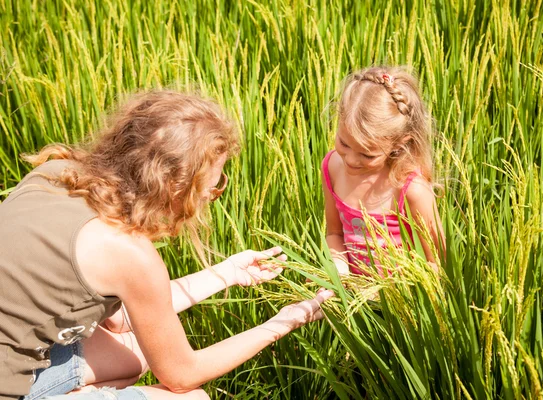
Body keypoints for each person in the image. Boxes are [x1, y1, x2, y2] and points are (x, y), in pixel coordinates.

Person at [0, 90, 333, 400]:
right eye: (211, 186)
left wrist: (229, 271)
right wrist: (286, 321)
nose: (212, 194)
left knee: (131, 357)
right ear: (175, 185)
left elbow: (120, 320)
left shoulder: (57, 172)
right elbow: (182, 375)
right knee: (193, 398)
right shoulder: (127, 251)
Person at [322, 66, 445, 276]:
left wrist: (390, 292)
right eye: (343, 143)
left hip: (401, 298)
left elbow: (438, 262)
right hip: (351, 295)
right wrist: (339, 272)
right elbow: (334, 232)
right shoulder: (333, 166)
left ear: (398, 144)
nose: (350, 160)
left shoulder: (410, 190)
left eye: (367, 155)